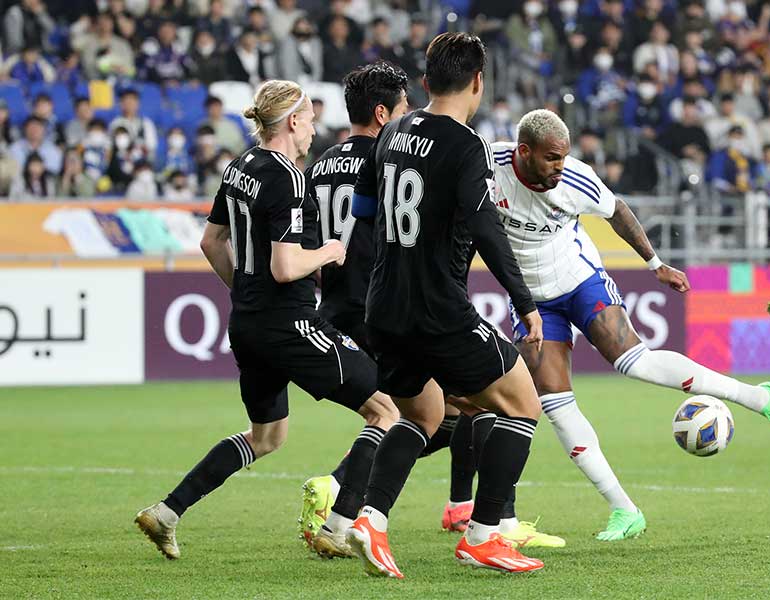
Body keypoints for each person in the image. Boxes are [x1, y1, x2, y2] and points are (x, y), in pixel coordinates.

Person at [490, 109, 770, 540]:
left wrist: (655, 263)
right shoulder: (487, 167)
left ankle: (760, 398)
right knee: (556, 404)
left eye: (564, 158)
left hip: (579, 279)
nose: (559, 167)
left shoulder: (576, 179)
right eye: (551, 159)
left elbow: (617, 210)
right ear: (524, 152)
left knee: (636, 364)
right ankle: (624, 511)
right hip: (529, 301)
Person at [134, 79, 397, 560]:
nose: (314, 129)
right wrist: (329, 250)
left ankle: (168, 511)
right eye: (311, 119)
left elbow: (211, 242)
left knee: (266, 436)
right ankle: (337, 528)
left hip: (248, 324)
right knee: (386, 410)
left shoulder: (239, 167)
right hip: (289, 324)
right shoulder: (288, 176)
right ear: (293, 121)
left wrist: (245, 291)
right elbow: (286, 266)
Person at [347, 32, 546, 578]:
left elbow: (363, 210)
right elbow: (484, 226)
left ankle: (370, 519)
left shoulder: (389, 133)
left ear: (428, 81)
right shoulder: (466, 145)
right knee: (521, 404)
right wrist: (523, 301)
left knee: (424, 413)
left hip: (383, 305)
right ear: (478, 82)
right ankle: (482, 537)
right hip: (435, 305)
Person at [297, 61, 410, 558]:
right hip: (379, 307)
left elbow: (309, 238)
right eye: (405, 108)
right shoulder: (388, 161)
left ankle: (345, 506)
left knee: (407, 414)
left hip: (337, 304)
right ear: (383, 114)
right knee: (444, 412)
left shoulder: (320, 162)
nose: (410, 118)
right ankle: (341, 499)